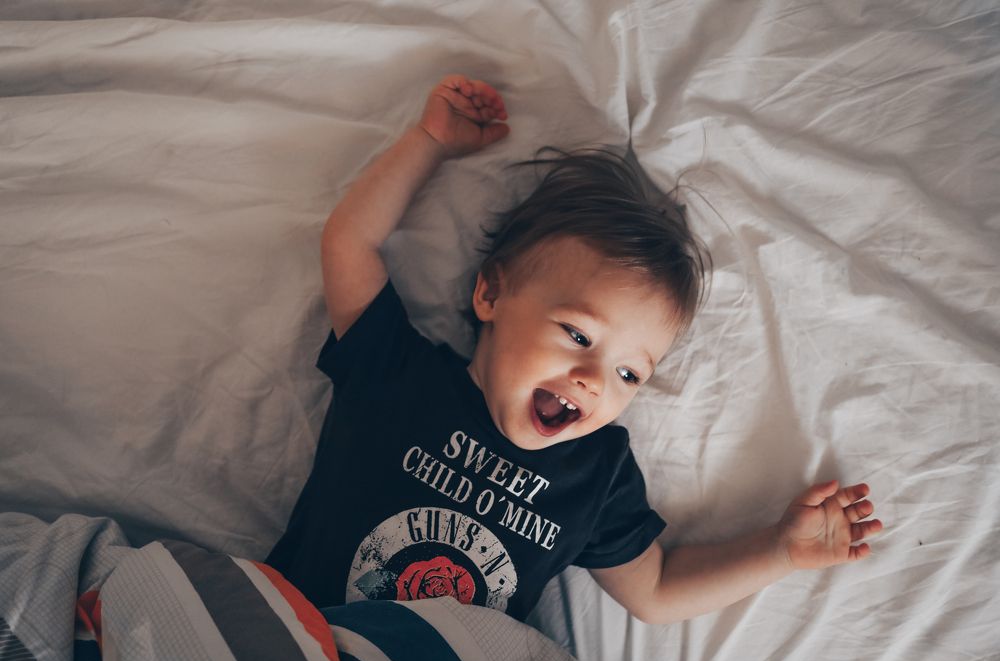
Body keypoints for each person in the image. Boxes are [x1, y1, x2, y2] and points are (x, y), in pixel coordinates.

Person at [265, 74, 883, 624]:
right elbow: (350, 245)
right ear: (491, 293)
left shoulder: (596, 475)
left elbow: (656, 590)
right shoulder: (398, 374)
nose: (594, 379)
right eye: (580, 336)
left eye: (629, 374)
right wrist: (430, 141)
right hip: (295, 636)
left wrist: (779, 550)